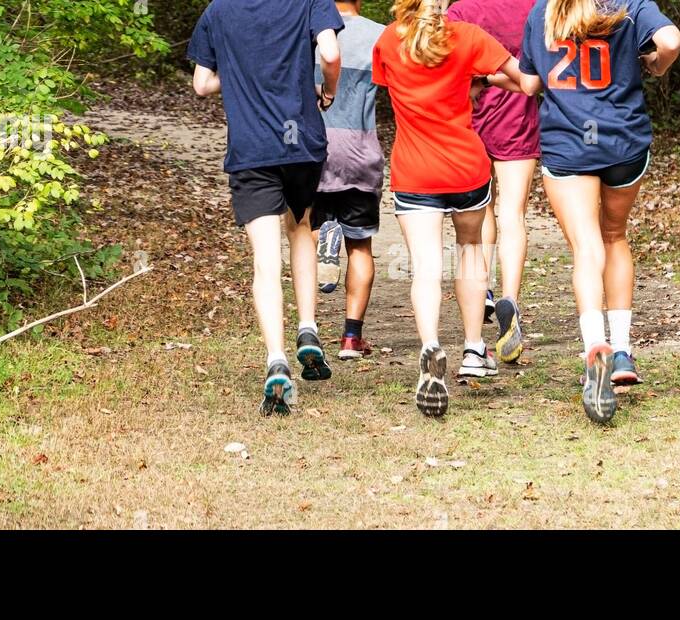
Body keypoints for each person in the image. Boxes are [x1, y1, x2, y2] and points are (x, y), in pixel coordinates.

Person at [486, 0, 680, 422]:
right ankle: (624, 352)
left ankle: (596, 345)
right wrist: (655, 65)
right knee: (615, 236)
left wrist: (489, 76)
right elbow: (669, 40)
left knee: (587, 246)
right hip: (624, 145)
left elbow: (532, 85)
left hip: (570, 146)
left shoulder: (542, 12)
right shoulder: (630, 4)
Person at [188, 0, 345, 415]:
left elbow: (202, 84)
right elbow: (329, 53)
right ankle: (308, 328)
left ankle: (276, 359)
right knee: (302, 227)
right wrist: (328, 90)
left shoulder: (218, 12)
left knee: (264, 259)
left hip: (252, 149)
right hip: (302, 144)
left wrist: (241, 75)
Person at [371, 0, 528, 416]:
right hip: (466, 169)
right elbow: (524, 82)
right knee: (471, 251)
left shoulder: (388, 41)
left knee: (424, 266)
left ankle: (430, 346)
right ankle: (475, 349)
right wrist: (485, 82)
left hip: (415, 170)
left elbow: (397, 87)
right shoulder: (470, 38)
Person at [446, 0, 541, 365]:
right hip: (518, 114)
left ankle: (482, 289)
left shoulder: (461, 11)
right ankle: (510, 300)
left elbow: (449, 62)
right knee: (512, 213)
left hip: (470, 114)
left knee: (479, 209)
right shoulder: (534, 7)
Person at [310, 0, 388, 360]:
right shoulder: (381, 37)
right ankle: (351, 338)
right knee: (360, 247)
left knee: (304, 241)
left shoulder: (306, 31)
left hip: (312, 150)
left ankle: (307, 330)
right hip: (359, 150)